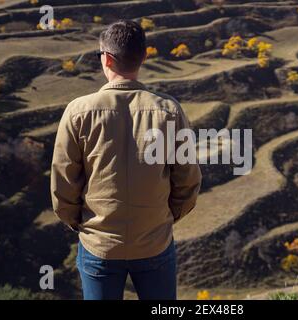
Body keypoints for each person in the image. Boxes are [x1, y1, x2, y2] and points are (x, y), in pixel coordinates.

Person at [50, 20, 202, 300]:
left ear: (106, 59)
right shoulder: (169, 110)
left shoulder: (78, 112)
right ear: (144, 57)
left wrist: (82, 223)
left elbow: (63, 185)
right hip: (154, 241)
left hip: (99, 245)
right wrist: (162, 218)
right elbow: (188, 181)